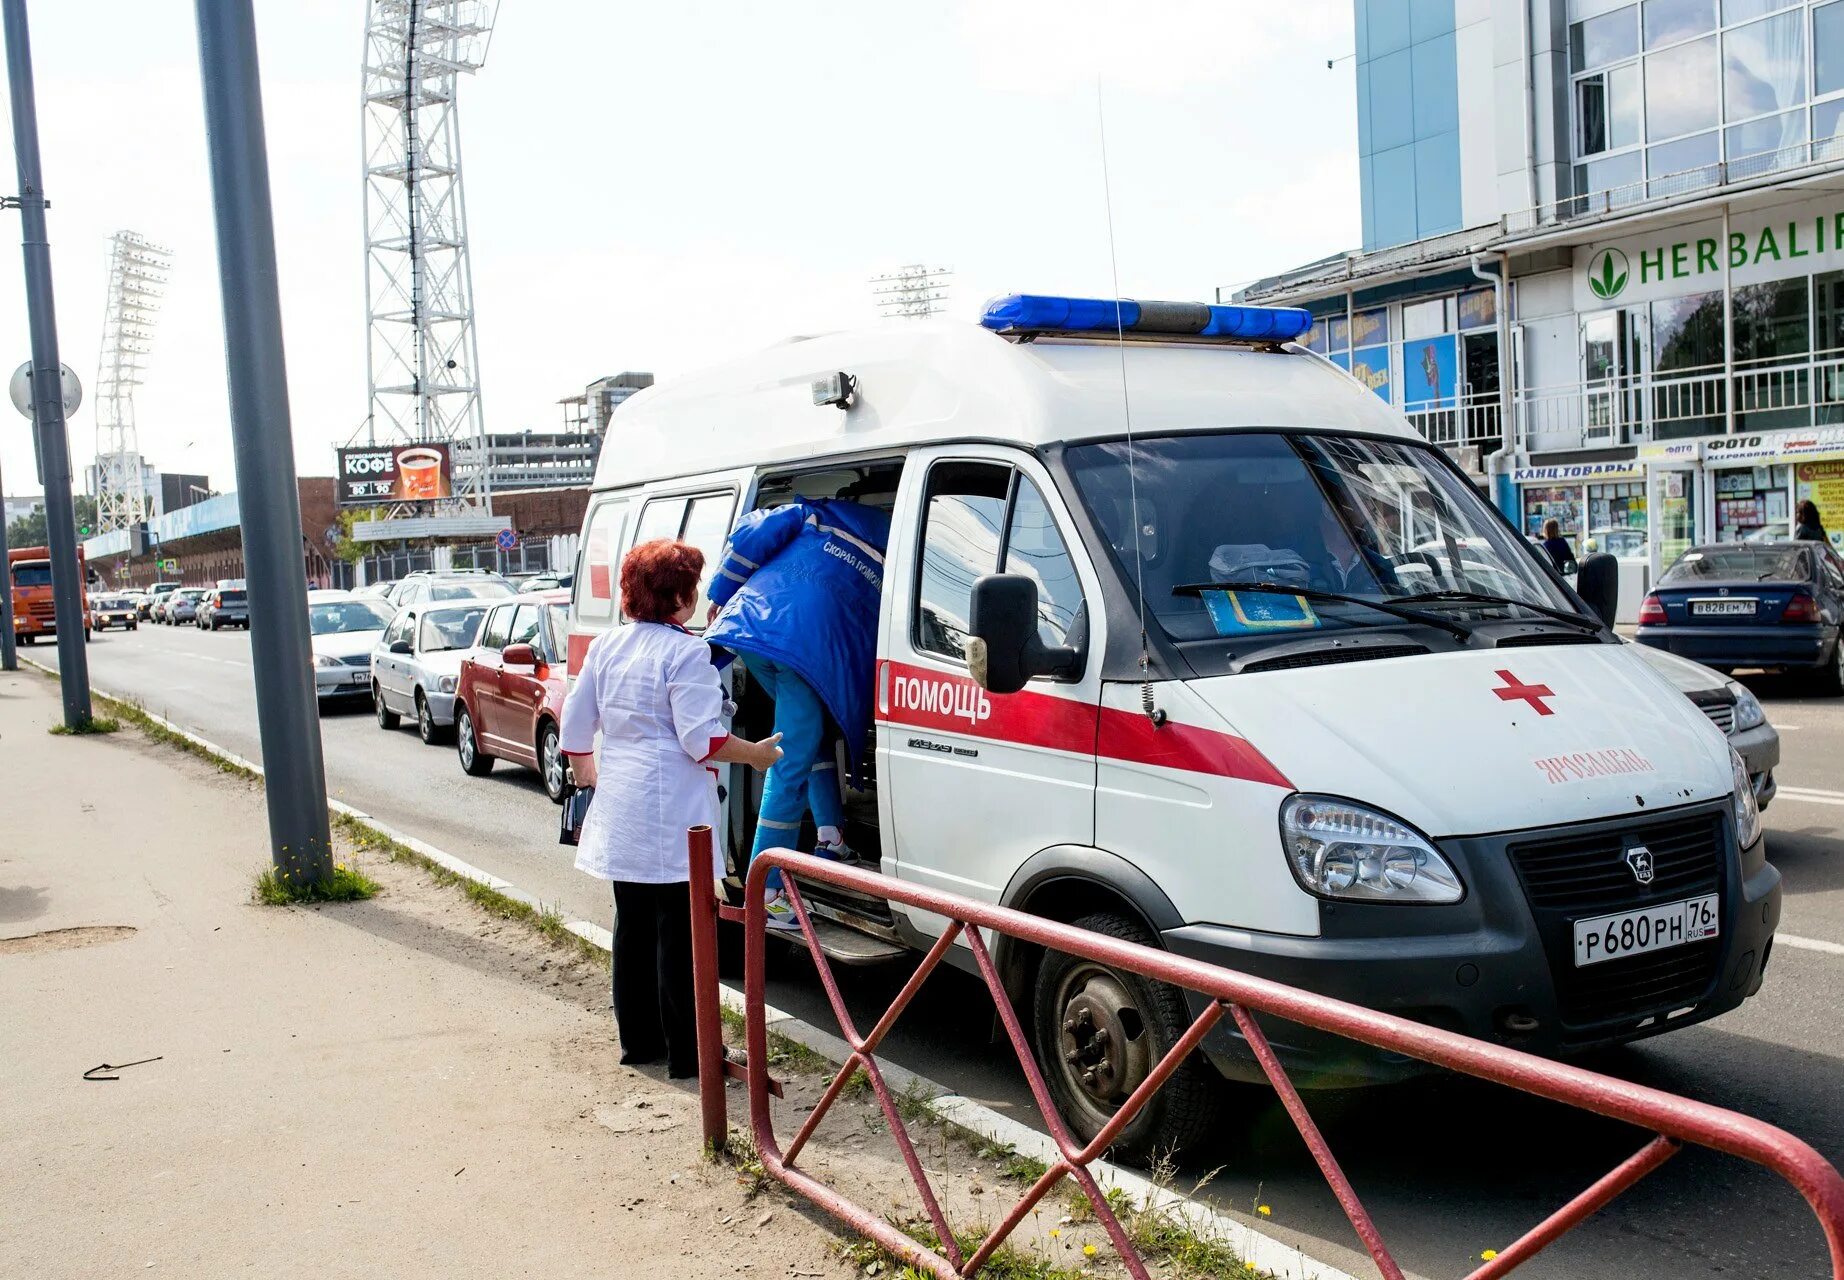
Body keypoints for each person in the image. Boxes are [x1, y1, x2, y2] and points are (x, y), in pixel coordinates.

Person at [560, 538, 781, 1077]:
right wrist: (755, 755)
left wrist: (587, 771)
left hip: (622, 801)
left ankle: (639, 1044)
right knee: (680, 933)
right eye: (694, 584)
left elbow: (574, 721)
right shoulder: (686, 653)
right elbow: (700, 738)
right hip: (674, 808)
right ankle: (689, 1054)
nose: (699, 592)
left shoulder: (607, 646)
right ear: (678, 593)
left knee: (630, 927)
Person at [705, 487, 892, 929]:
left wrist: (721, 592)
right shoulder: (906, 539)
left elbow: (753, 532)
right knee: (788, 759)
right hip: (804, 648)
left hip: (754, 631)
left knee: (809, 737)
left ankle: (830, 837)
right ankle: (766, 893)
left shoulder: (819, 515)